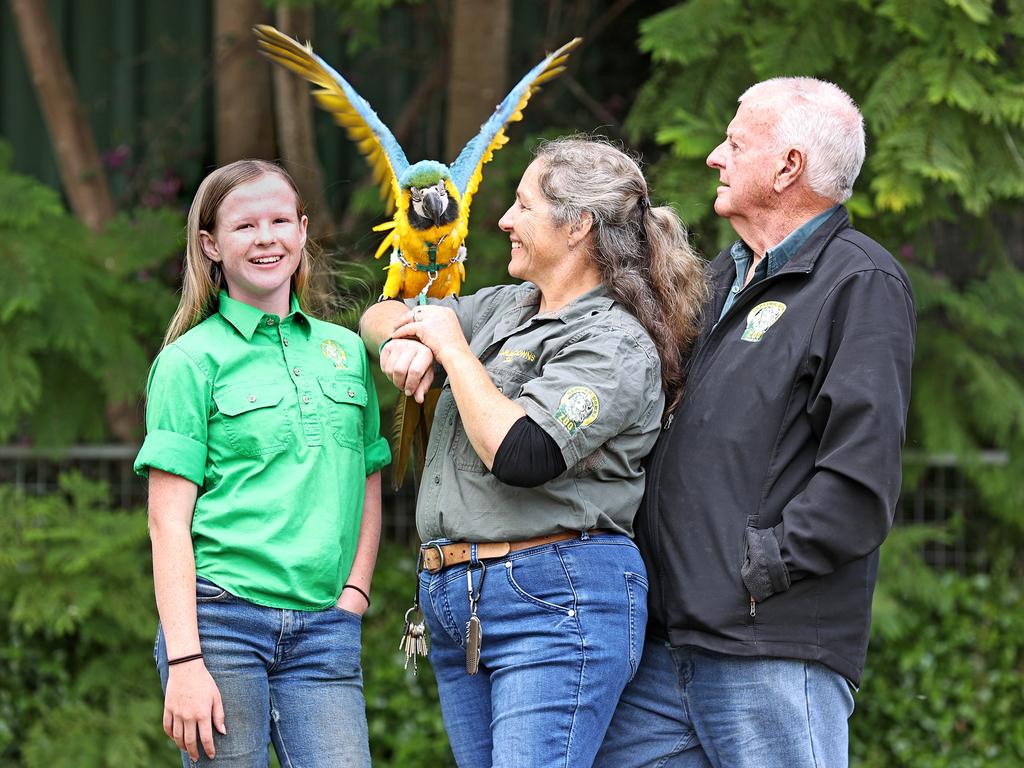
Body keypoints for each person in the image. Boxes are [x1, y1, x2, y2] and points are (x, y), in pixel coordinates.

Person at [596, 78, 917, 768]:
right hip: (662, 651)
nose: (715, 156)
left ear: (788, 167)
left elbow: (860, 480)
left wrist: (754, 572)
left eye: (735, 143)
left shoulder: (858, 281)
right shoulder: (713, 283)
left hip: (774, 650)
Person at [360, 137, 707, 767]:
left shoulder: (613, 342)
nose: (502, 221)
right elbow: (379, 314)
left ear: (577, 226)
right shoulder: (507, 308)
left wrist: (451, 349)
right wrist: (403, 345)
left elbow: (524, 453)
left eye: (522, 206)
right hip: (458, 598)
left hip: (555, 598)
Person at [133, 159, 390, 767]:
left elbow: (366, 481)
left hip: (325, 630)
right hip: (220, 626)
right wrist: (186, 660)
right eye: (245, 226)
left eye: (280, 221)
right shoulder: (189, 362)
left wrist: (354, 592)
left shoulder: (346, 351)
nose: (266, 238)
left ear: (302, 232)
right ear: (211, 245)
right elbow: (167, 522)